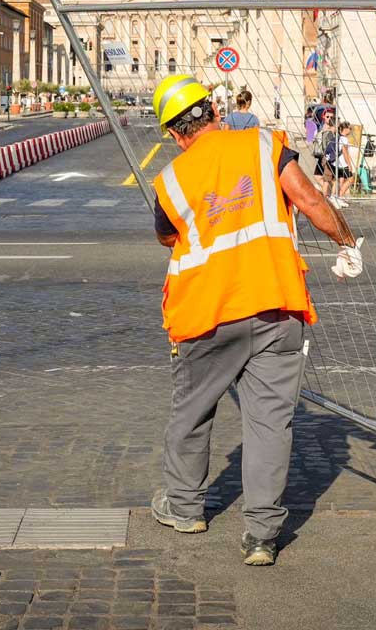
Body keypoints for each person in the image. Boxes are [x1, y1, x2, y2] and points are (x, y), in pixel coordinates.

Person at [147, 75, 362, 567]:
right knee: (269, 422)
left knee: (193, 410)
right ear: (215, 113)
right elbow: (309, 200)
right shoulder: (265, 144)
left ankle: (184, 508)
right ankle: (262, 535)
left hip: (207, 314)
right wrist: (347, 243)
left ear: (176, 134)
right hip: (276, 304)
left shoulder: (172, 180)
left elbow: (167, 237)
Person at [333, 121, 355, 203]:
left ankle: (337, 197)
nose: (351, 130)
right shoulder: (344, 139)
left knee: (340, 179)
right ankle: (340, 196)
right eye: (350, 128)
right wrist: (349, 164)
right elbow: (345, 153)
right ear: (345, 129)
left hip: (337, 163)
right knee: (350, 179)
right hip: (343, 163)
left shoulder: (338, 137)